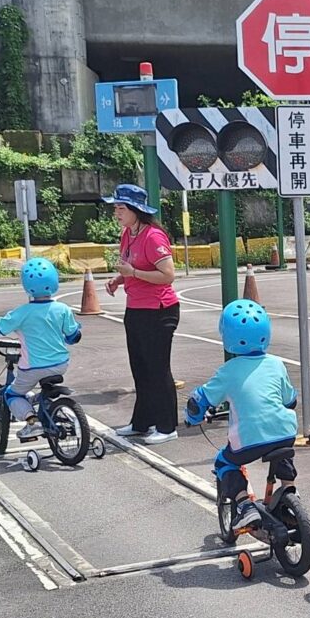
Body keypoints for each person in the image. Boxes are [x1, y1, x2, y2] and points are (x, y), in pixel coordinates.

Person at [184, 300, 298, 531]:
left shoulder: (227, 371)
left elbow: (199, 402)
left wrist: (192, 418)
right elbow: (290, 400)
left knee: (224, 462)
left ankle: (245, 506)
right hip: (286, 432)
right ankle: (290, 491)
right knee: (280, 445)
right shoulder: (277, 364)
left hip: (248, 440)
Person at [0, 258, 82, 441]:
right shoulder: (63, 309)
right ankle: (45, 407)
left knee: (11, 393)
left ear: (27, 286)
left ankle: (31, 421)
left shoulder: (22, 312)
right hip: (61, 364)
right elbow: (74, 336)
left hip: (33, 368)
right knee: (36, 385)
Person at [102, 184, 179, 445]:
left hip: (159, 311)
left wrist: (132, 274)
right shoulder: (128, 234)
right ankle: (142, 422)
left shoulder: (153, 237)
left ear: (136, 210)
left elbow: (167, 275)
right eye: (115, 208)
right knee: (141, 369)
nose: (117, 212)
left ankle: (167, 426)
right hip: (135, 308)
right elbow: (130, 267)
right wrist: (118, 280)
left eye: (121, 208)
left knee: (158, 369)